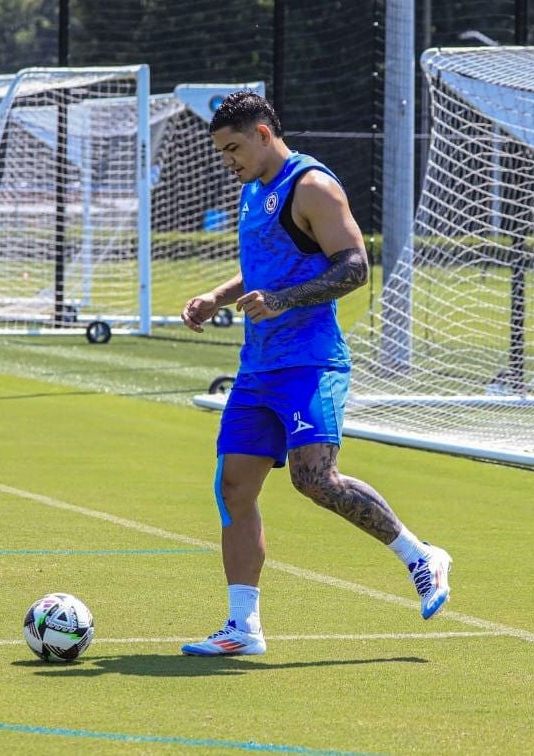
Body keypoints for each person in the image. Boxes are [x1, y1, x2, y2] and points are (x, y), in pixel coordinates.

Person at [180, 91, 451, 656]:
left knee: (314, 480)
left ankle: (419, 556)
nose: (228, 161)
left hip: (309, 361)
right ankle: (242, 628)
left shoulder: (312, 186)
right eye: (221, 152)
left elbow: (355, 266)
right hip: (257, 367)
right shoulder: (255, 192)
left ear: (261, 134)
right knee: (233, 488)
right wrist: (217, 296)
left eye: (233, 148)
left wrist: (281, 302)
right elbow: (265, 265)